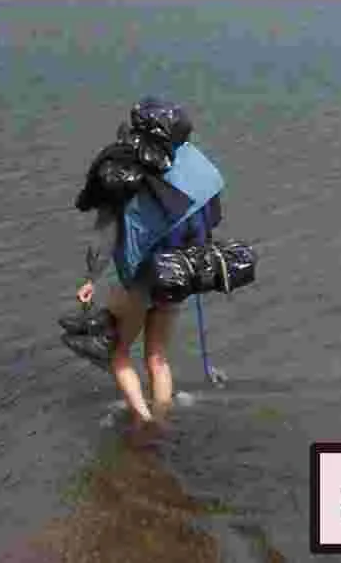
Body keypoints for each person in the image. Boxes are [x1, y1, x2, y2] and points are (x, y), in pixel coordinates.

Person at [73, 97, 226, 430]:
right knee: (157, 356)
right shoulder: (190, 166)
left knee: (118, 352)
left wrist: (90, 280)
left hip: (142, 280)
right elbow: (210, 217)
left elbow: (105, 235)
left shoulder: (122, 174)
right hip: (178, 275)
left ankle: (144, 422)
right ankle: (162, 417)